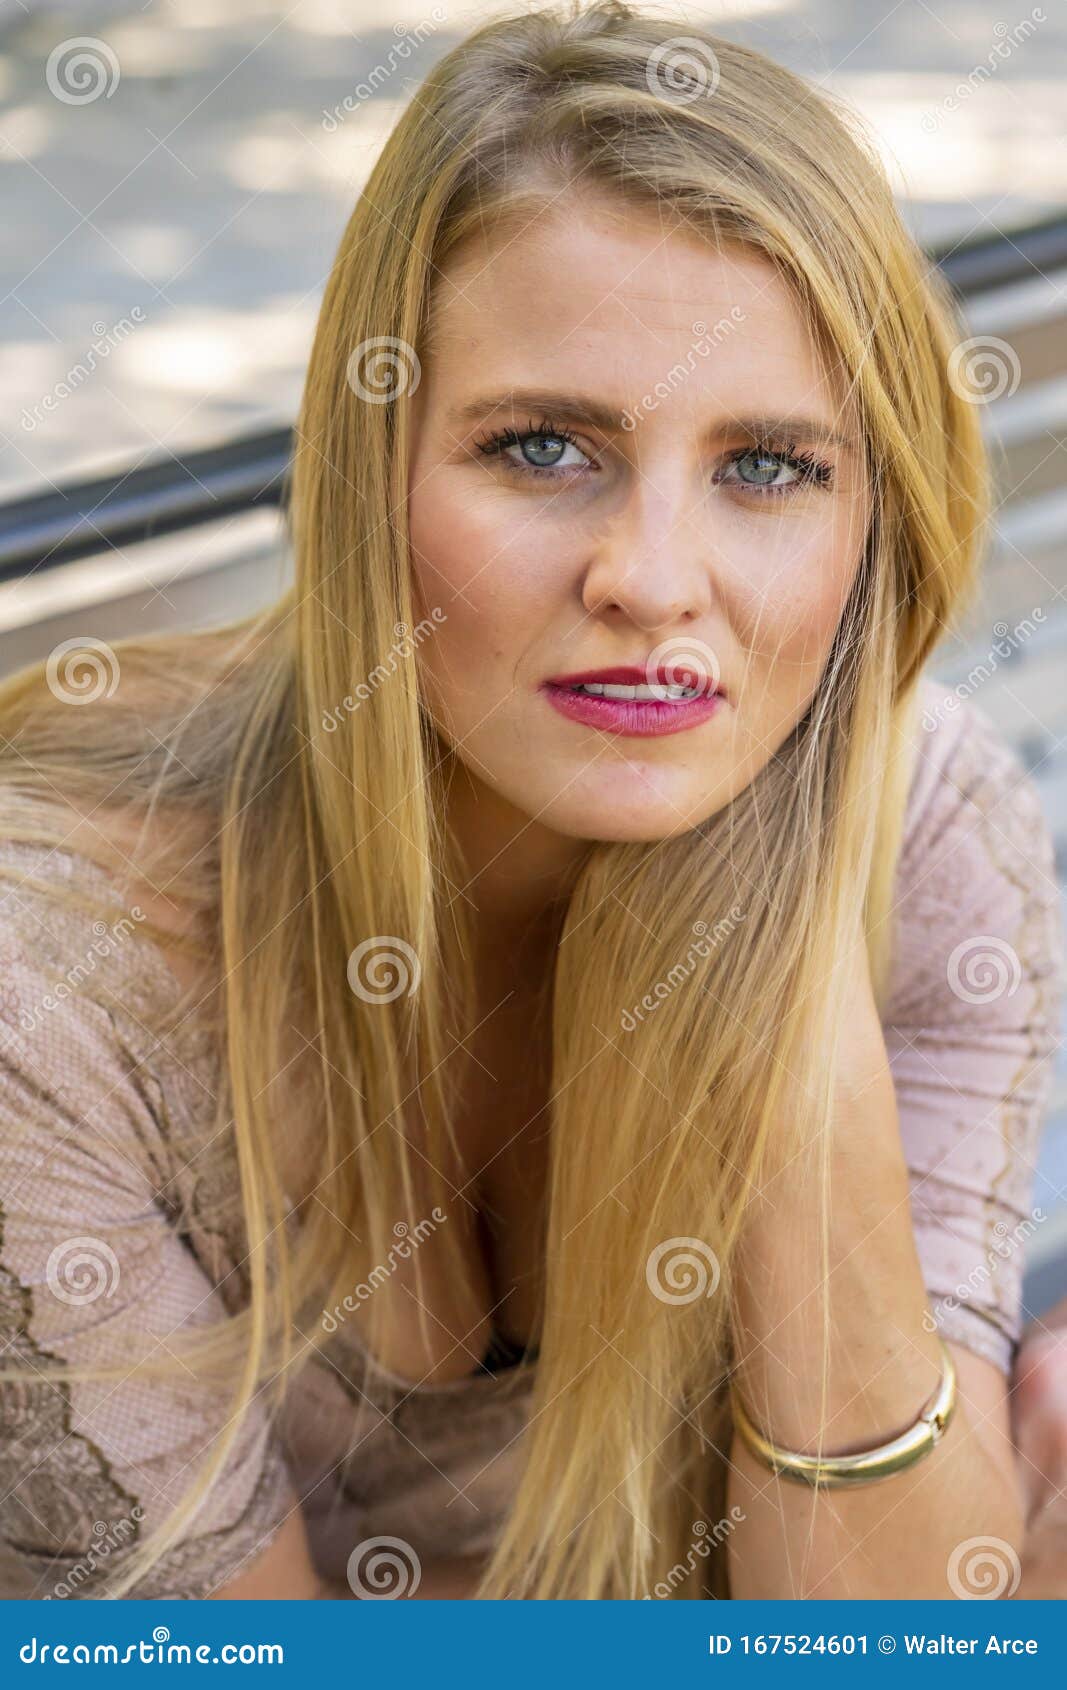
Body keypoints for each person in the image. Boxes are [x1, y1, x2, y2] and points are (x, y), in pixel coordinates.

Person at [0, 0, 1064, 1601]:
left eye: (768, 465)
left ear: (877, 522)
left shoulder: (929, 832)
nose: (647, 578)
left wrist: (787, 1009)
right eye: (545, 445)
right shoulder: (57, 986)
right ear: (375, 476)